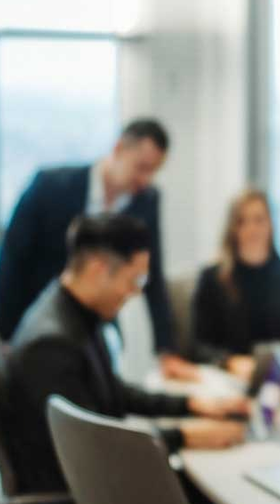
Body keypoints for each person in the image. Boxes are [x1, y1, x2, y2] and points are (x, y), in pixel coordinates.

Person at [0, 214, 250, 504]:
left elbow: (110, 392)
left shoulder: (74, 313)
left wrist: (191, 405)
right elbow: (94, 446)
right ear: (100, 269)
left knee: (210, 501)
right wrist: (187, 435)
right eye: (135, 280)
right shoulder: (51, 345)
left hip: (91, 479)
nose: (134, 294)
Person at [0, 118, 196, 380]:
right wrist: (4, 334)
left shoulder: (147, 200)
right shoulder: (50, 186)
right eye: (141, 167)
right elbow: (12, 261)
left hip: (97, 326)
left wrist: (166, 350)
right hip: (40, 318)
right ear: (118, 150)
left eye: (154, 171)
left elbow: (153, 275)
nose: (145, 179)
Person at [191, 189, 280, 380]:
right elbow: (198, 347)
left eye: (259, 220)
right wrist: (230, 362)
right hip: (229, 379)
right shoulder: (212, 279)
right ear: (232, 229)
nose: (252, 229)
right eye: (242, 221)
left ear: (270, 224)